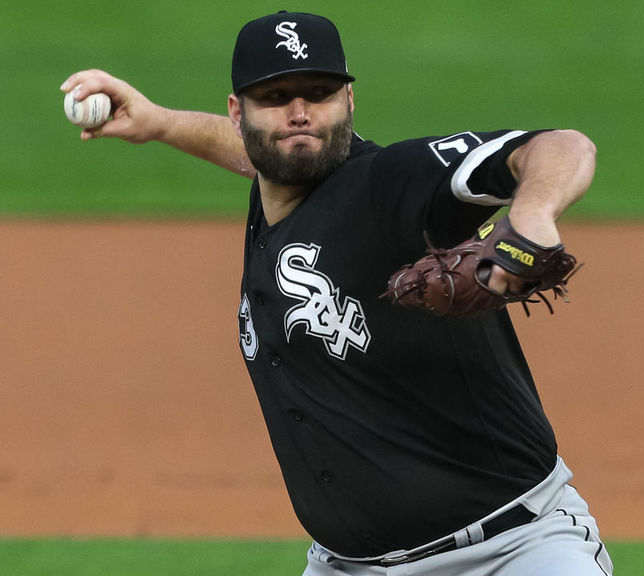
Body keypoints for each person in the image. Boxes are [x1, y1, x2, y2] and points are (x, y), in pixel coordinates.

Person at [61, 11, 612, 576]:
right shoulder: (277, 186)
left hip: (510, 551)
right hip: (346, 566)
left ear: (349, 100)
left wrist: (532, 215)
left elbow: (560, 146)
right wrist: (160, 122)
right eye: (275, 96)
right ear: (238, 112)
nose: (299, 114)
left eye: (318, 94)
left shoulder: (391, 183)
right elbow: (261, 153)